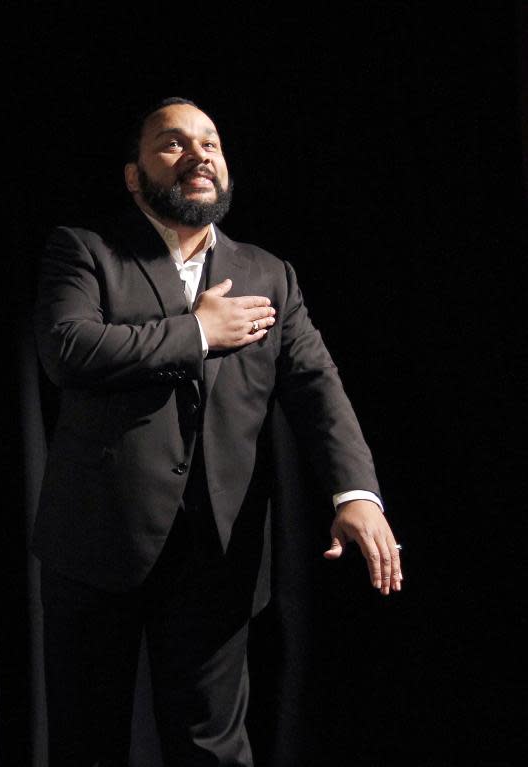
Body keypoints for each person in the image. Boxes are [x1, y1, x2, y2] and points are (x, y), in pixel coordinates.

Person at [33, 96, 402, 767]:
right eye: (173, 143)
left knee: (213, 746)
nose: (200, 153)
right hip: (96, 544)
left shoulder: (269, 274)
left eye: (211, 142)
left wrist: (355, 494)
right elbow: (67, 348)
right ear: (133, 173)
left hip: (218, 555)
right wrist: (198, 331)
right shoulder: (85, 250)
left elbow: (318, 388)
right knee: (87, 742)